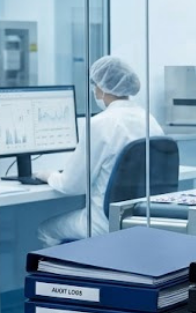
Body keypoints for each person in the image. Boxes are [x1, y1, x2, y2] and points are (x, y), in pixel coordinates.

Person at [36, 56, 164, 245]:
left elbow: (71, 185)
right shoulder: (149, 119)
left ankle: (72, 274)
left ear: (102, 88)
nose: (94, 90)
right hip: (140, 220)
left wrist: (48, 175)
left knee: (45, 230)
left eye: (94, 85)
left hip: (103, 224)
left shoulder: (101, 124)